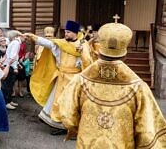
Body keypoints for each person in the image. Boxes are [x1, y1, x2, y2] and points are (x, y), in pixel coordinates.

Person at [58, 19, 166, 147]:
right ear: (125, 55)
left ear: (100, 51)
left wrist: (81, 128)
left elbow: (67, 116)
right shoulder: (139, 88)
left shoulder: (80, 80)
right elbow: (148, 133)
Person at [26, 20, 93, 134]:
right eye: (65, 32)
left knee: (71, 104)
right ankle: (59, 124)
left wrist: (82, 53)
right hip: (61, 78)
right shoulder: (61, 43)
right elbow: (48, 43)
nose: (66, 34)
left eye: (68, 32)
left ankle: (71, 128)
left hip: (74, 80)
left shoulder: (83, 45)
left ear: (75, 33)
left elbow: (88, 64)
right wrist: (33, 37)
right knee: (56, 101)